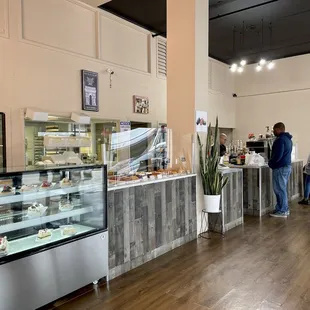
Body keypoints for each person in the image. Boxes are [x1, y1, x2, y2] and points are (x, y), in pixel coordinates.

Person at [269, 122, 293, 218]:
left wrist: (271, 163)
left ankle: (283, 210)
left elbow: (278, 156)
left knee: (279, 189)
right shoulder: (288, 139)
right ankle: (280, 208)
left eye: (274, 130)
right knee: (281, 189)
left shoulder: (280, 140)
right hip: (286, 166)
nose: (273, 132)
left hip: (280, 167)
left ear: (279, 129)